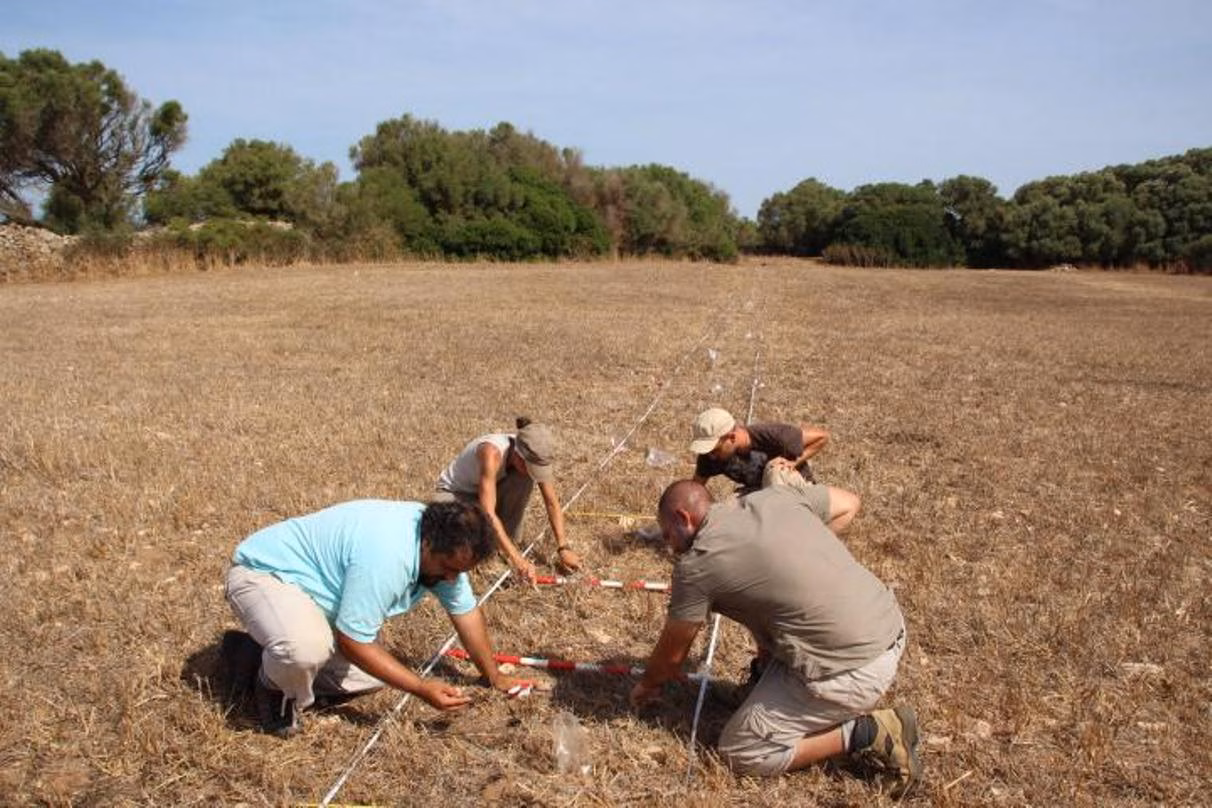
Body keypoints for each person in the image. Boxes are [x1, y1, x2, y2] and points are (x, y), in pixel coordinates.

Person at [630, 480, 921, 796]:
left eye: (667, 534)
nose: (668, 545)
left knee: (742, 750)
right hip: (888, 622)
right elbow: (849, 502)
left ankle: (872, 732)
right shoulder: (775, 497)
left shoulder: (697, 565)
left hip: (856, 667)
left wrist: (648, 685)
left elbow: (671, 659)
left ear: (683, 518)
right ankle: (765, 687)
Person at [222, 498, 529, 738]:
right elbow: (352, 641)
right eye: (448, 569)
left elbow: (466, 614)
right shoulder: (389, 554)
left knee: (374, 676)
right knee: (304, 649)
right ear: (428, 544)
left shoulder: (446, 546)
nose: (451, 579)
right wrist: (420, 688)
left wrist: (493, 676)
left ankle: (256, 655)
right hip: (266, 576)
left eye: (459, 573)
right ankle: (272, 690)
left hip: (313, 599)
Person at [435, 417, 580, 584]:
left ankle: (506, 542)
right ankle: (494, 546)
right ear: (518, 455)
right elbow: (488, 514)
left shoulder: (536, 453)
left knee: (524, 478)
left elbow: (551, 503)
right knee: (464, 547)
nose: (533, 471)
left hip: (489, 491)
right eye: (530, 466)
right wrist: (518, 560)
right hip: (456, 493)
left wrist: (563, 547)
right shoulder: (491, 453)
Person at [689, 407, 861, 532]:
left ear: (731, 437)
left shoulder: (774, 436)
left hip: (795, 488)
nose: (711, 455)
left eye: (715, 450)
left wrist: (794, 461)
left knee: (775, 470)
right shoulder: (709, 457)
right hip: (760, 490)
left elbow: (822, 436)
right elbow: (695, 489)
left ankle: (802, 532)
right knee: (723, 513)